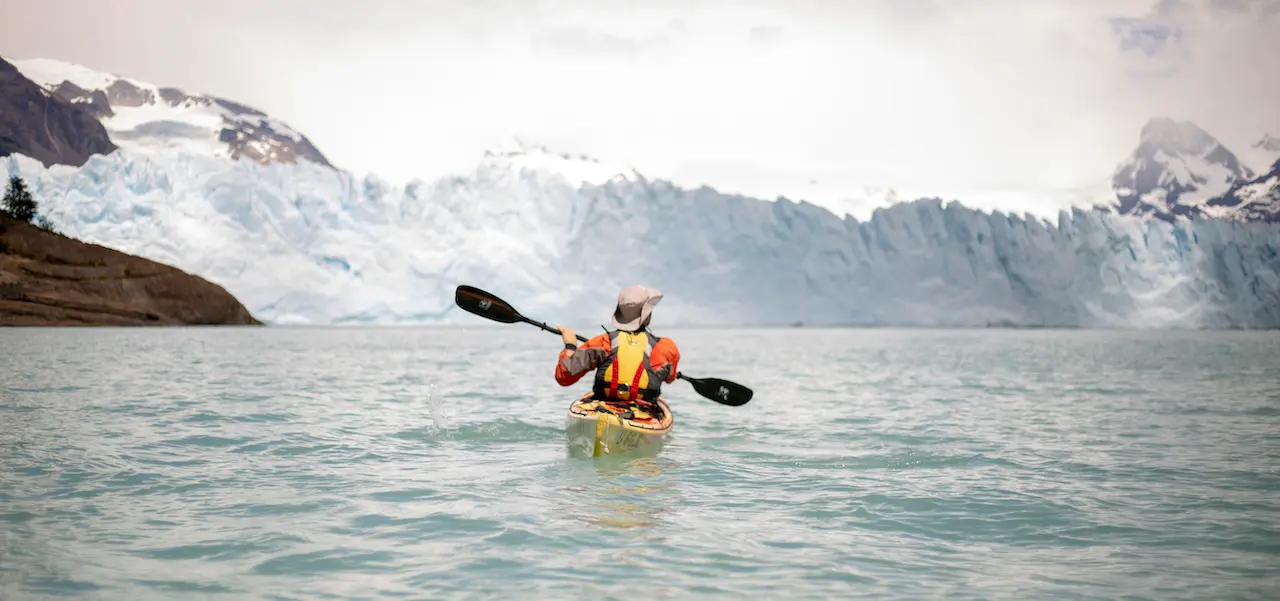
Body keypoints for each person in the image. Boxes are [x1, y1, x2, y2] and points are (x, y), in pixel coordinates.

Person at [555, 285, 680, 411]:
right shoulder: (665, 347)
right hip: (644, 411)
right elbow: (670, 377)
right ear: (647, 317)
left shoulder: (604, 342)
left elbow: (564, 377)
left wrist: (570, 346)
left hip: (604, 407)